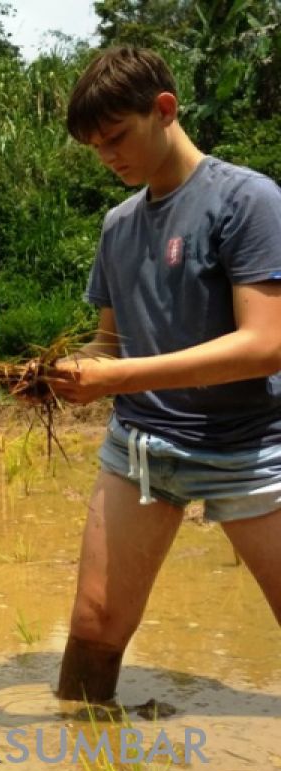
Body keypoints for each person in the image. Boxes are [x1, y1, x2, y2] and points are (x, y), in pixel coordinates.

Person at [46, 46, 281, 703]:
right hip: (142, 450)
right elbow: (109, 346)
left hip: (250, 449)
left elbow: (265, 345)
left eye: (117, 137)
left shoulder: (248, 201)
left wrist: (116, 379)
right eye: (95, 146)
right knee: (93, 629)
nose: (108, 157)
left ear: (165, 110)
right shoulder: (118, 226)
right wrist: (55, 374)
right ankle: (89, 767)